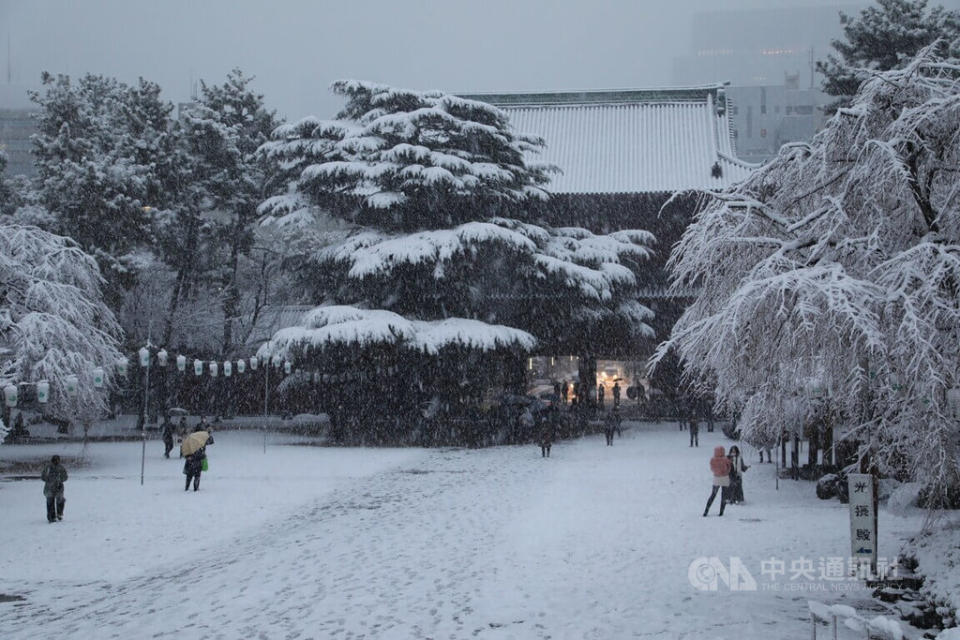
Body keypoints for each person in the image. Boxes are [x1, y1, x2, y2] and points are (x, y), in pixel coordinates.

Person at [703, 446, 732, 517]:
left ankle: (706, 510)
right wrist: (726, 472)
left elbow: (712, 468)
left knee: (713, 494)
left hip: (716, 478)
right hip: (724, 478)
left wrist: (716, 472)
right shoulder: (725, 459)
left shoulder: (712, 459)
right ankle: (721, 512)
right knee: (724, 495)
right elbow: (729, 467)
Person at [41, 455, 68, 522]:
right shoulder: (48, 467)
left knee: (60, 500)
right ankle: (51, 517)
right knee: (50, 502)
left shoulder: (61, 468)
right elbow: (43, 477)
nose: (57, 461)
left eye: (58, 460)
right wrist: (50, 480)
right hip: (49, 487)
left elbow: (65, 477)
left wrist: (60, 480)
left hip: (59, 487)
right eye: (55, 460)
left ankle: (59, 514)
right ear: (52, 460)